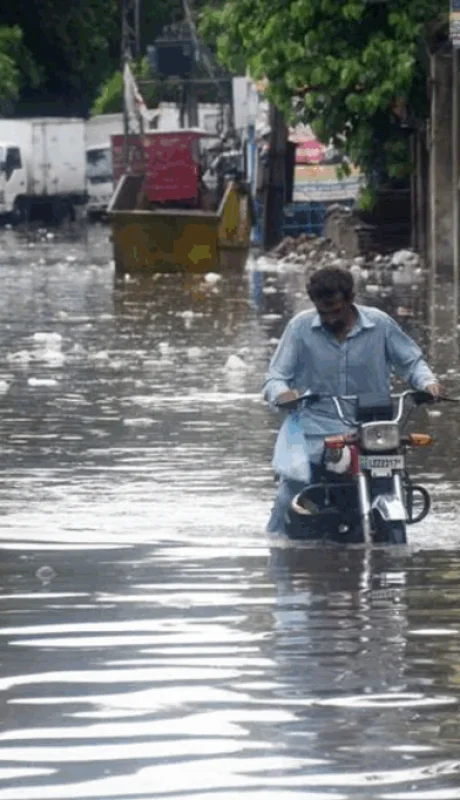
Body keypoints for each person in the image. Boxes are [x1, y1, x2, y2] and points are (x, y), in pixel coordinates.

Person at [263, 266, 442, 534]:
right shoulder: (300, 328)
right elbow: (275, 377)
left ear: (350, 299)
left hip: (372, 429)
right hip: (317, 432)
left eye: (336, 310)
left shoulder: (379, 324)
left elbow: (411, 362)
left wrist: (428, 383)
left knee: (390, 480)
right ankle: (278, 553)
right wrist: (283, 394)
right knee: (290, 494)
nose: (330, 318)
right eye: (323, 312)